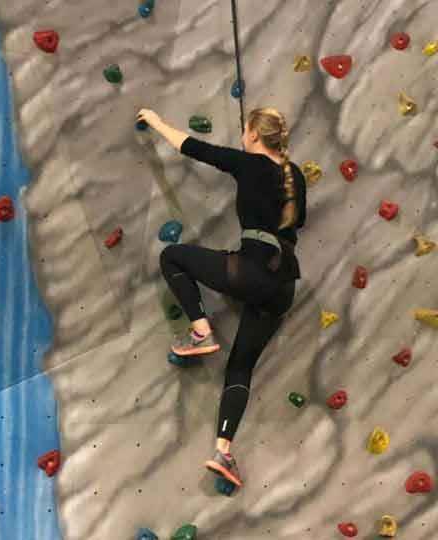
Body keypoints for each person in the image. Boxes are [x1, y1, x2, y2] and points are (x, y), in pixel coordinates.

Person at [137, 107, 307, 491]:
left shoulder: (248, 164)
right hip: (283, 285)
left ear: (252, 135)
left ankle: (200, 331)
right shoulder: (294, 175)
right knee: (240, 367)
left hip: (251, 271)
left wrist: (156, 119)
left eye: (245, 130)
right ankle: (223, 451)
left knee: (172, 256)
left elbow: (192, 147)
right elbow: (298, 222)